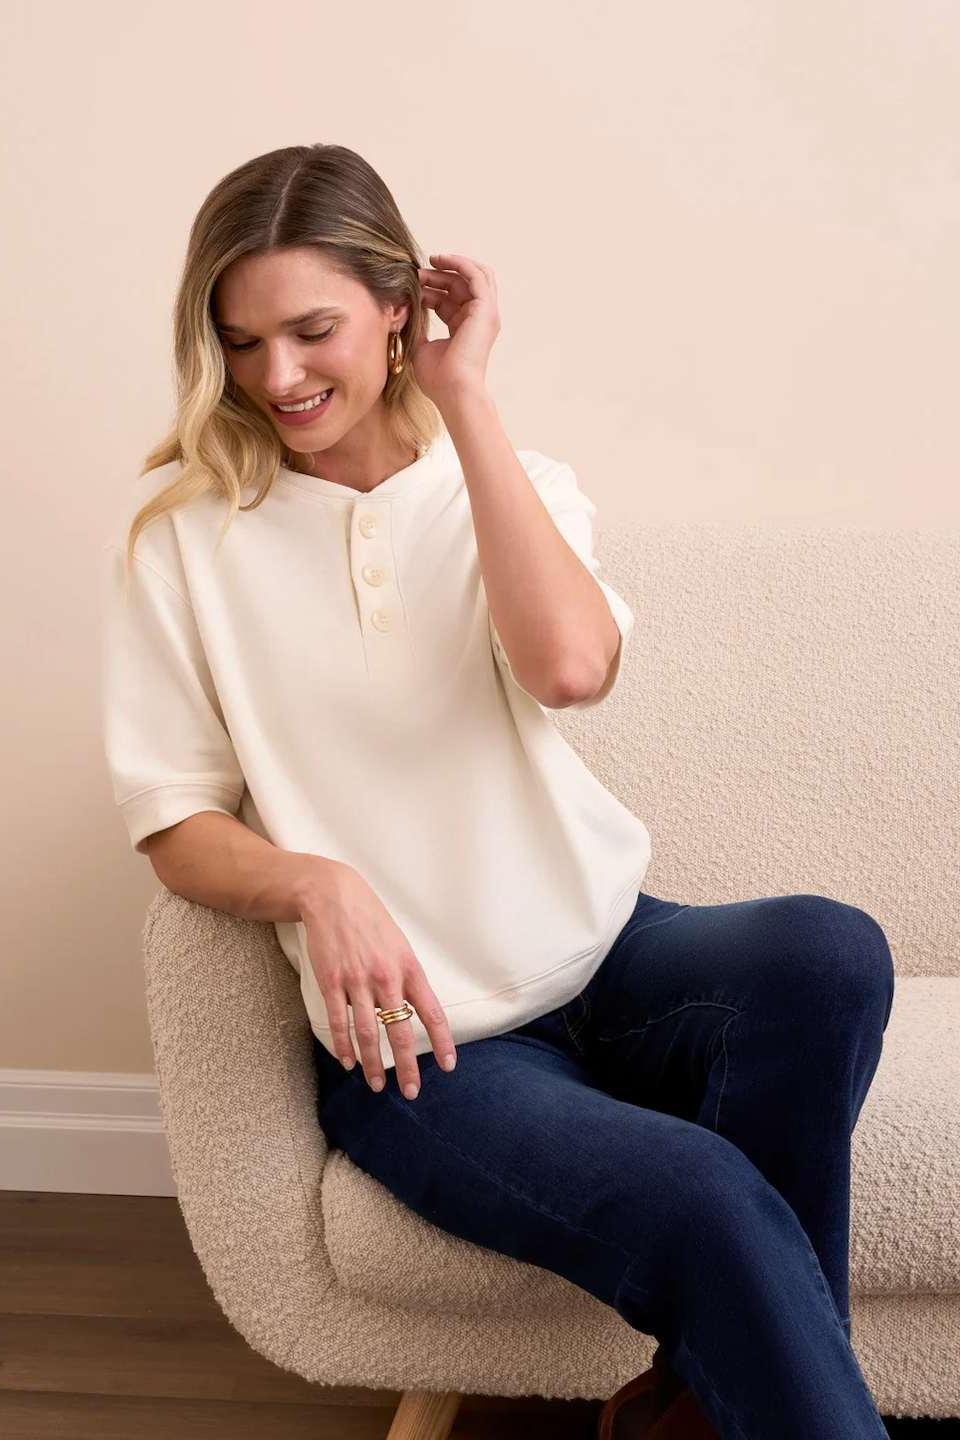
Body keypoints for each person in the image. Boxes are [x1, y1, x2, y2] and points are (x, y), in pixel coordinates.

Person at [99, 143, 896, 1439]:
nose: (279, 378)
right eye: (242, 344)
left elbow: (571, 667)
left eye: (313, 331)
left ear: (399, 311)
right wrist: (315, 878)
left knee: (828, 949)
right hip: (426, 1045)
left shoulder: (511, 488)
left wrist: (467, 403)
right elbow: (172, 817)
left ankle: (707, 1396)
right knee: (700, 1191)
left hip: (611, 955)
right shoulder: (185, 538)